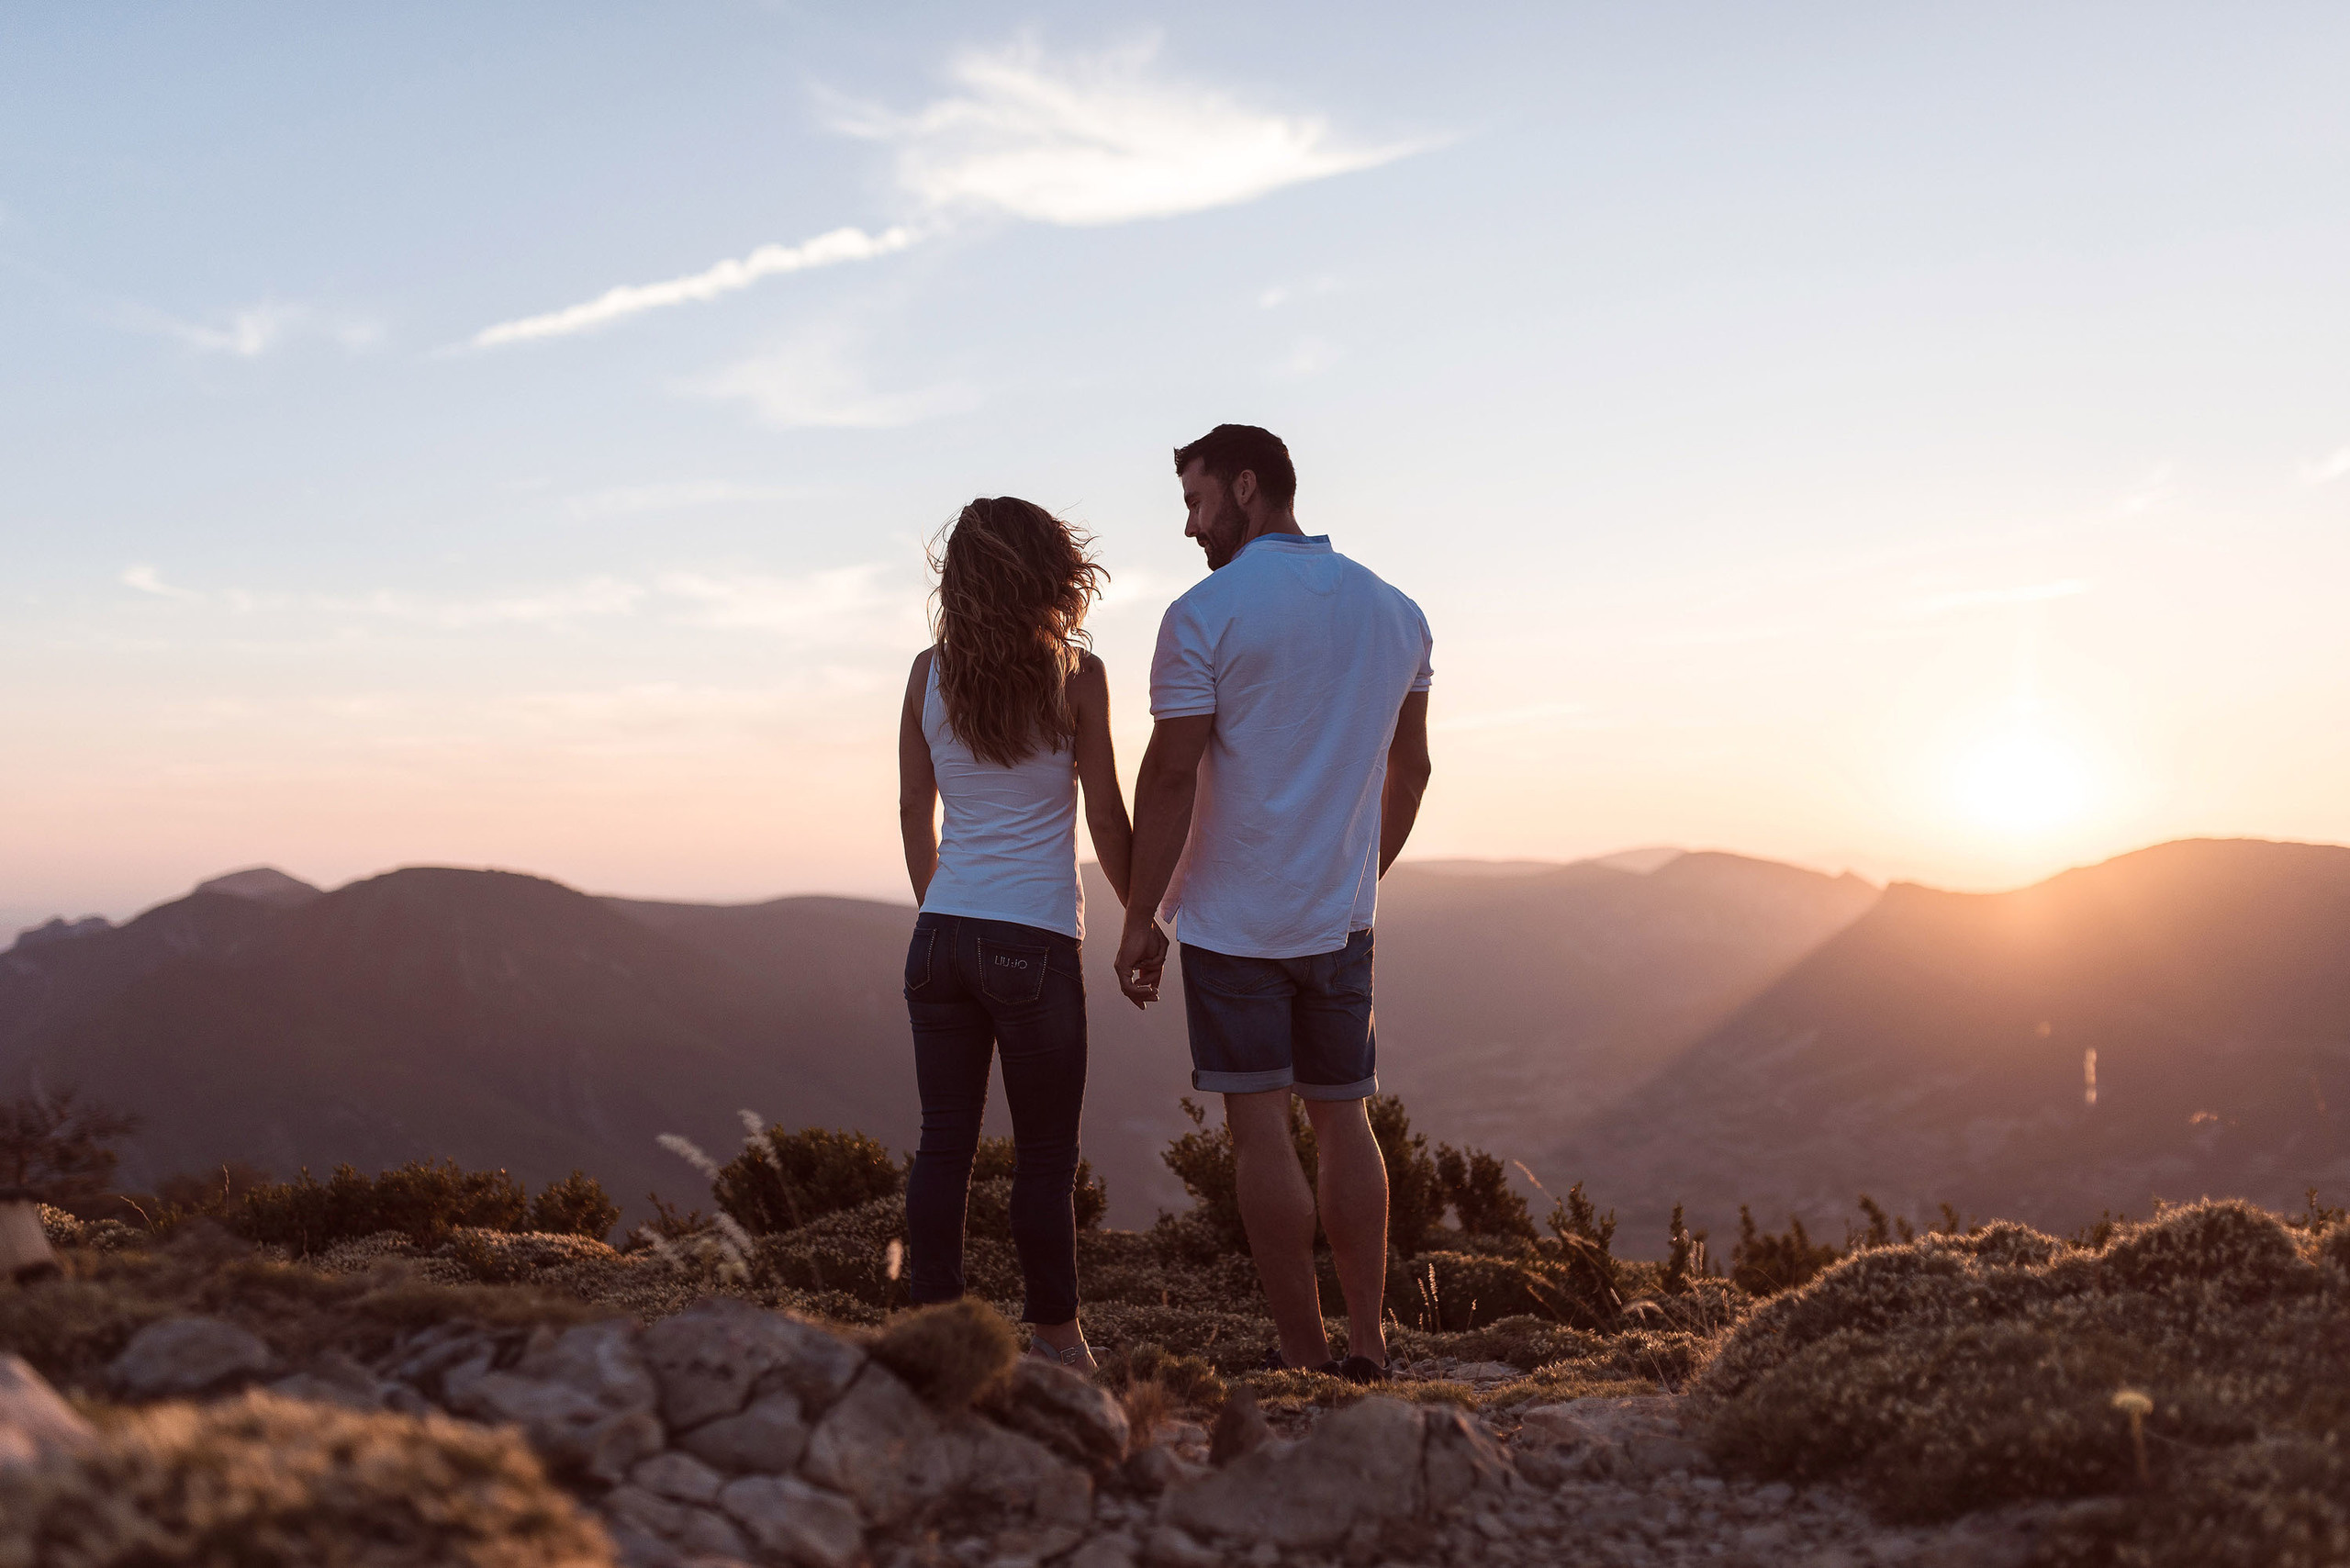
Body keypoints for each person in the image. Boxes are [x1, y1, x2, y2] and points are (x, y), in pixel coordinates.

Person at [1113, 425, 1434, 1383]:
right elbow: (1410, 769)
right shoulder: (1399, 613)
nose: (1187, 526)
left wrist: (1140, 917)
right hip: (1340, 920)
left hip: (1231, 922)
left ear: (1246, 488)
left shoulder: (1203, 614)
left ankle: (1303, 1355)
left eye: (1195, 501)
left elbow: (1170, 776)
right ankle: (1371, 1346)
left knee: (1259, 1130)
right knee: (1346, 1119)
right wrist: (1360, 876)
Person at [896, 496, 1162, 1371]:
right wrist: (1140, 925)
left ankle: (935, 1335)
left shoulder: (925, 673)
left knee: (945, 1144)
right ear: (1050, 572)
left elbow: (913, 808)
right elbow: (1107, 819)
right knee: (1044, 1158)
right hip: (1032, 941)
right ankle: (1057, 1341)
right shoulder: (1077, 674)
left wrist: (942, 907)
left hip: (939, 938)